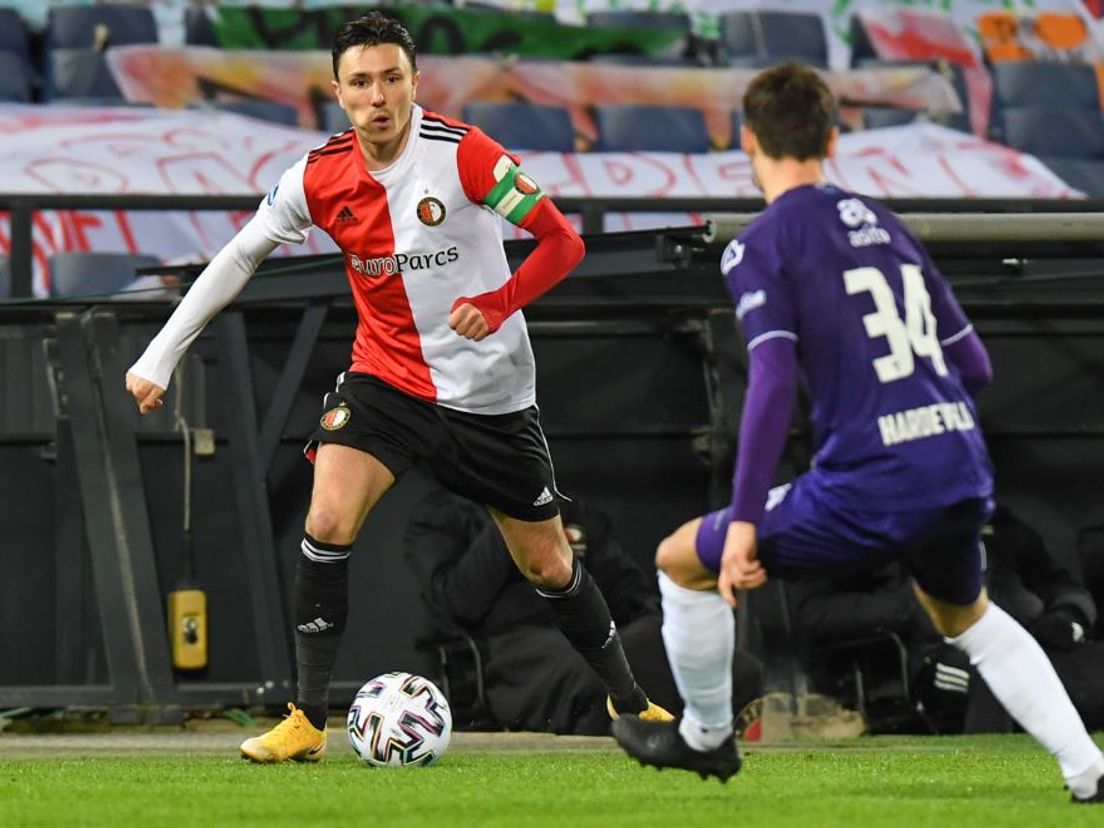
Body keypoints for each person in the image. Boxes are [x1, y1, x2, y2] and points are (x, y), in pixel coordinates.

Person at [124, 12, 670, 763]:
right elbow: (239, 256)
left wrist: (498, 303)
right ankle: (308, 721)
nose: (377, 95)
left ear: (416, 83)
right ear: (338, 92)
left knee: (547, 563)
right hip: (388, 380)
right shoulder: (318, 175)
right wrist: (160, 356)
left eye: (390, 78)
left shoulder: (465, 156)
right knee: (327, 521)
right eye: (360, 82)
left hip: (490, 398)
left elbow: (562, 240)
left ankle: (630, 700)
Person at [610, 62, 1104, 804]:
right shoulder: (889, 226)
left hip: (873, 478)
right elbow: (974, 362)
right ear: (832, 137)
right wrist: (926, 430)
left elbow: (773, 379)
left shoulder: (760, 245)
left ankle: (706, 738)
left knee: (680, 559)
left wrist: (745, 519)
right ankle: (1089, 771)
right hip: (958, 461)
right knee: (964, 614)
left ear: (748, 141)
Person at [403, 485, 764, 734]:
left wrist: (666, 629)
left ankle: (702, 722)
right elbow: (455, 603)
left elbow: (630, 590)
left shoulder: (569, 509)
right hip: (511, 648)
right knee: (596, 674)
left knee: (668, 641)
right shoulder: (443, 513)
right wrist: (513, 516)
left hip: (590, 631)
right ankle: (675, 722)